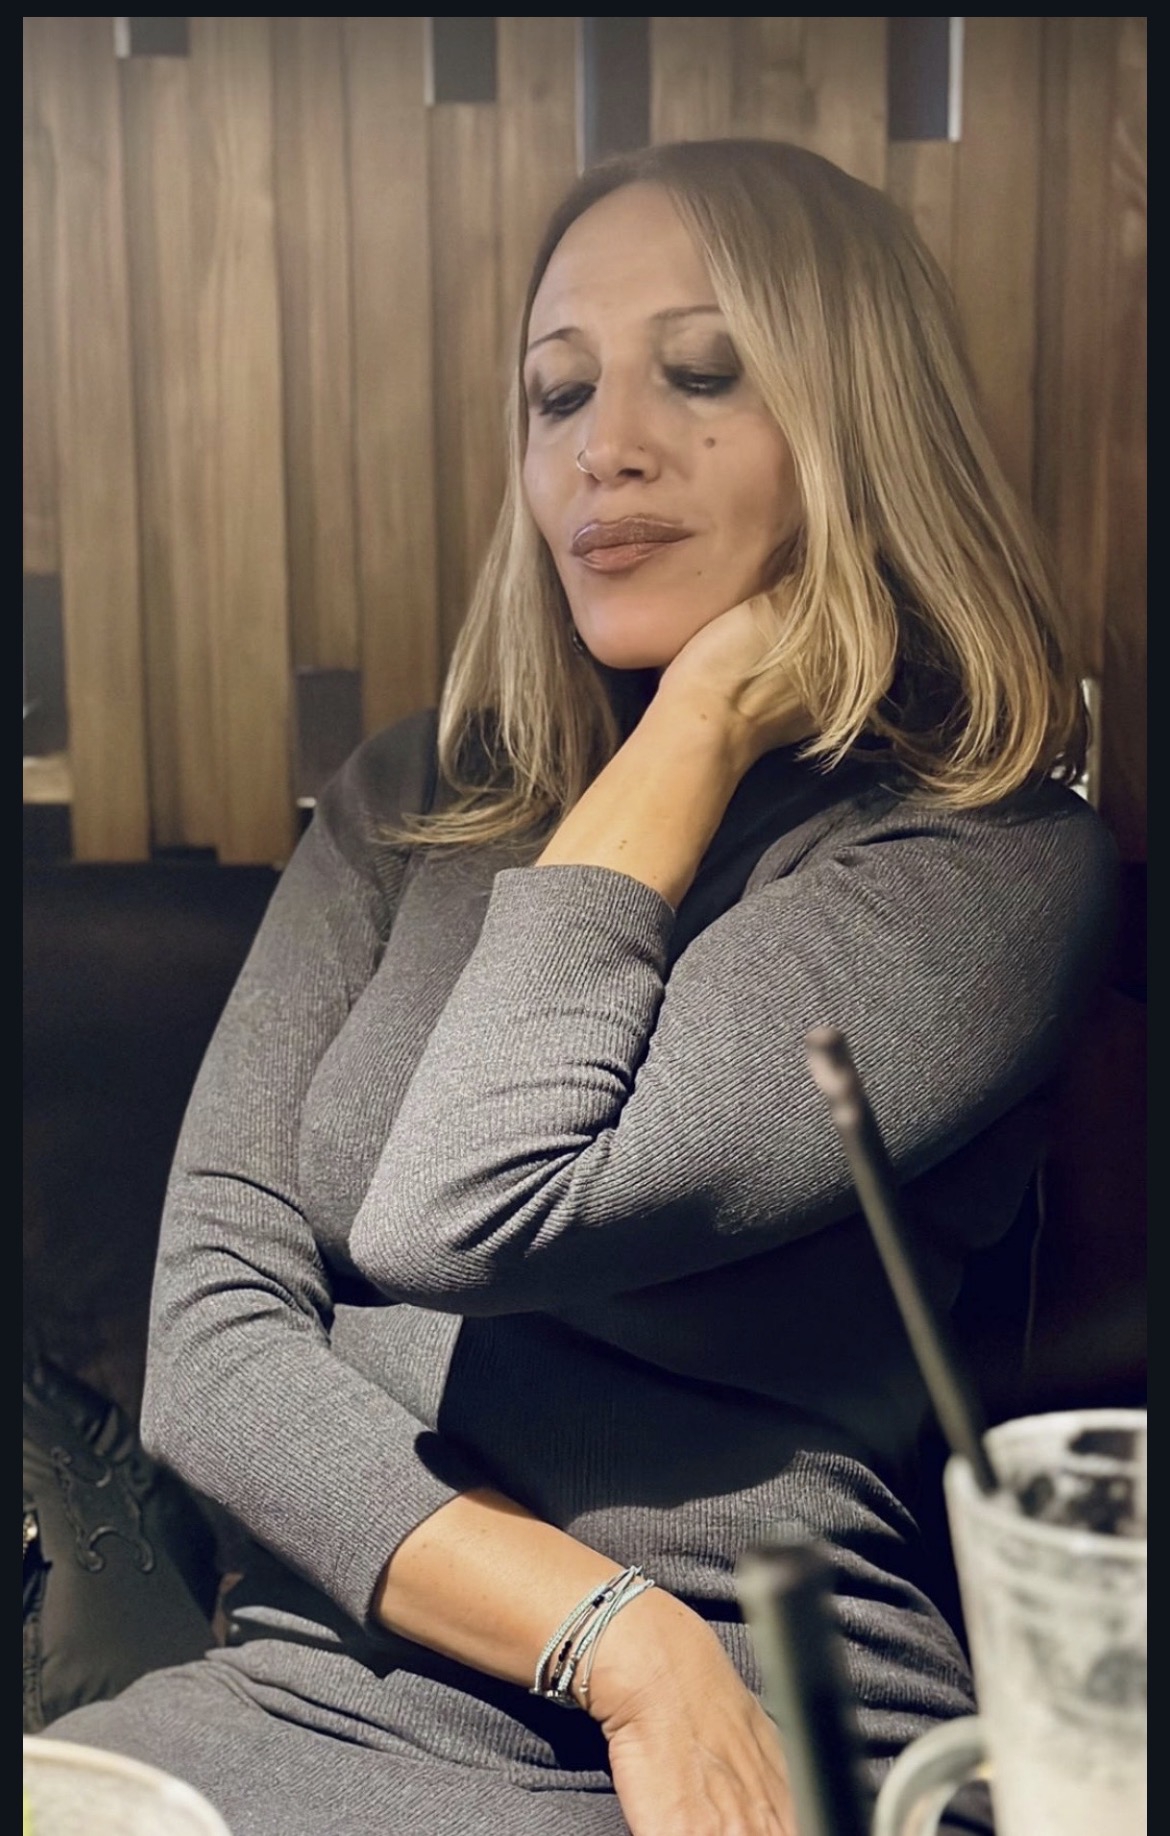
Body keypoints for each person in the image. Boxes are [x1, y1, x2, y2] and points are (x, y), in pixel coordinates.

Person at [39, 138, 1115, 1835]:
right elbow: (211, 1341)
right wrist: (613, 1640)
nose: (606, 445)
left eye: (704, 373)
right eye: (558, 394)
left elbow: (466, 1208)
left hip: (755, 1721)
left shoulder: (983, 857)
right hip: (316, 1695)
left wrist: (700, 724)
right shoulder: (410, 799)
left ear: (858, 426)